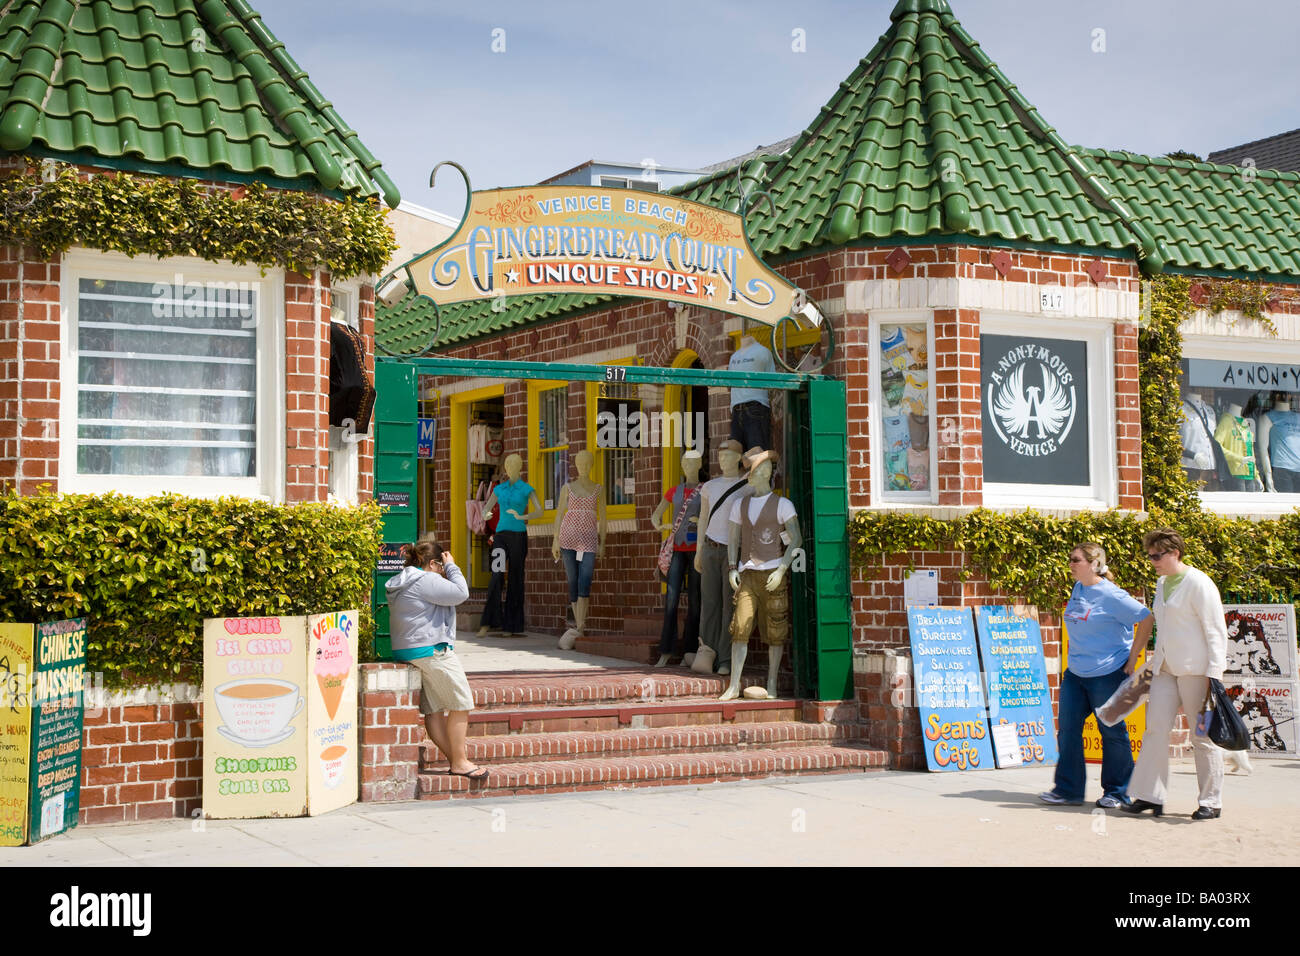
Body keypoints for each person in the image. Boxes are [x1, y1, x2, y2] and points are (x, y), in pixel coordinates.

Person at [1123, 528, 1227, 820]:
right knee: (1155, 728)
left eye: (1158, 555)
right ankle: (1149, 795)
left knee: (1202, 735)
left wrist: (1215, 673)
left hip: (1198, 671)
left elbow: (1215, 630)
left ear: (1175, 553)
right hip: (1165, 668)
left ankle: (1211, 800)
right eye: (1150, 555)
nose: (1153, 560)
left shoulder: (1199, 583)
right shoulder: (1161, 583)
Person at [1040, 542, 1153, 809]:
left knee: (1111, 732)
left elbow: (1146, 618)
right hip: (1075, 674)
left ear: (1094, 564)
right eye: (1070, 559)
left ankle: (1117, 792)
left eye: (1076, 560)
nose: (1070, 563)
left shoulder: (1113, 595)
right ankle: (1067, 790)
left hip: (1106, 673)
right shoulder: (1079, 587)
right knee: (1067, 731)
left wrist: (1134, 656)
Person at [384, 542, 487, 780]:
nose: (443, 571)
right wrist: (452, 567)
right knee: (461, 703)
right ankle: (460, 762)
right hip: (432, 650)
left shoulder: (403, 580)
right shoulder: (426, 580)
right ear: (432, 563)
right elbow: (461, 593)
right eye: (440, 566)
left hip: (408, 649)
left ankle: (457, 761)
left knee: (433, 710)